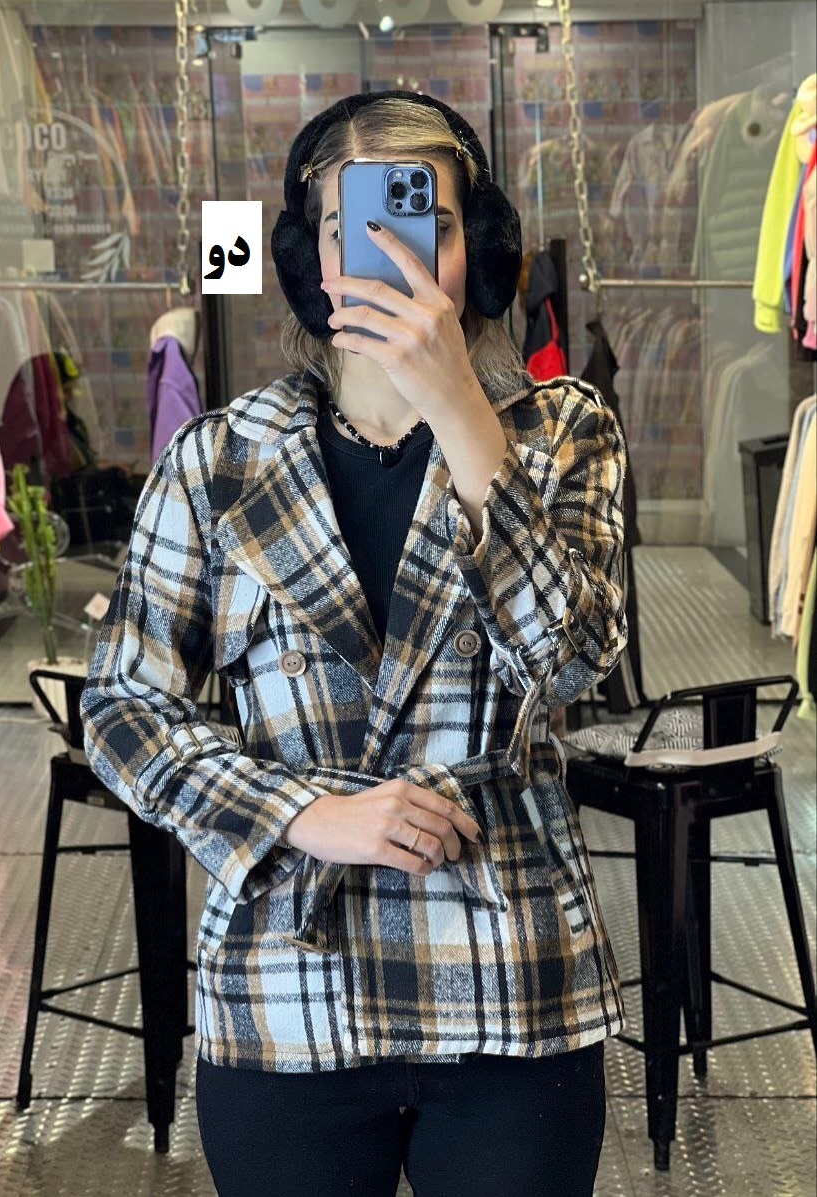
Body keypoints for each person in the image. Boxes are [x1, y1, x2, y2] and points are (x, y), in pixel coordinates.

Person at [81, 90, 629, 1197]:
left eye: (426, 222)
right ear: (311, 263)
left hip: (510, 977)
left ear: (481, 251)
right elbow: (124, 710)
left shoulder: (562, 431)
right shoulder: (220, 459)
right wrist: (303, 813)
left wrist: (461, 410)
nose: (389, 253)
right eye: (349, 229)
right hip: (287, 987)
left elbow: (575, 661)